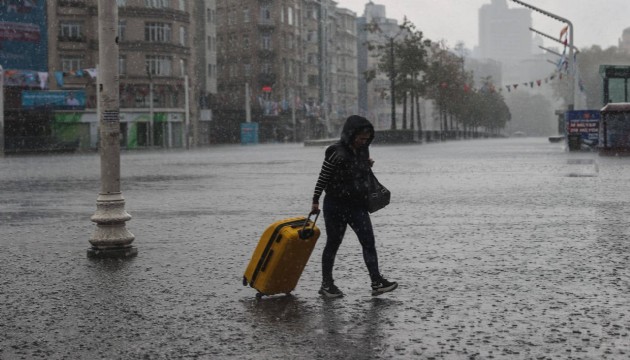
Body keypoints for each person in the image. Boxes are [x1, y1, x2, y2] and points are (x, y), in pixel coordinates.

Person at [311, 115, 398, 298]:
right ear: (351, 135)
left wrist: (366, 165)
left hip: (357, 205)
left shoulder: (363, 151)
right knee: (333, 244)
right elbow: (323, 177)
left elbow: (359, 176)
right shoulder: (335, 152)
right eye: (360, 138)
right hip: (335, 205)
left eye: (366, 139)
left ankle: (376, 281)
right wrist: (315, 201)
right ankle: (327, 285)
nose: (363, 142)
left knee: (368, 242)